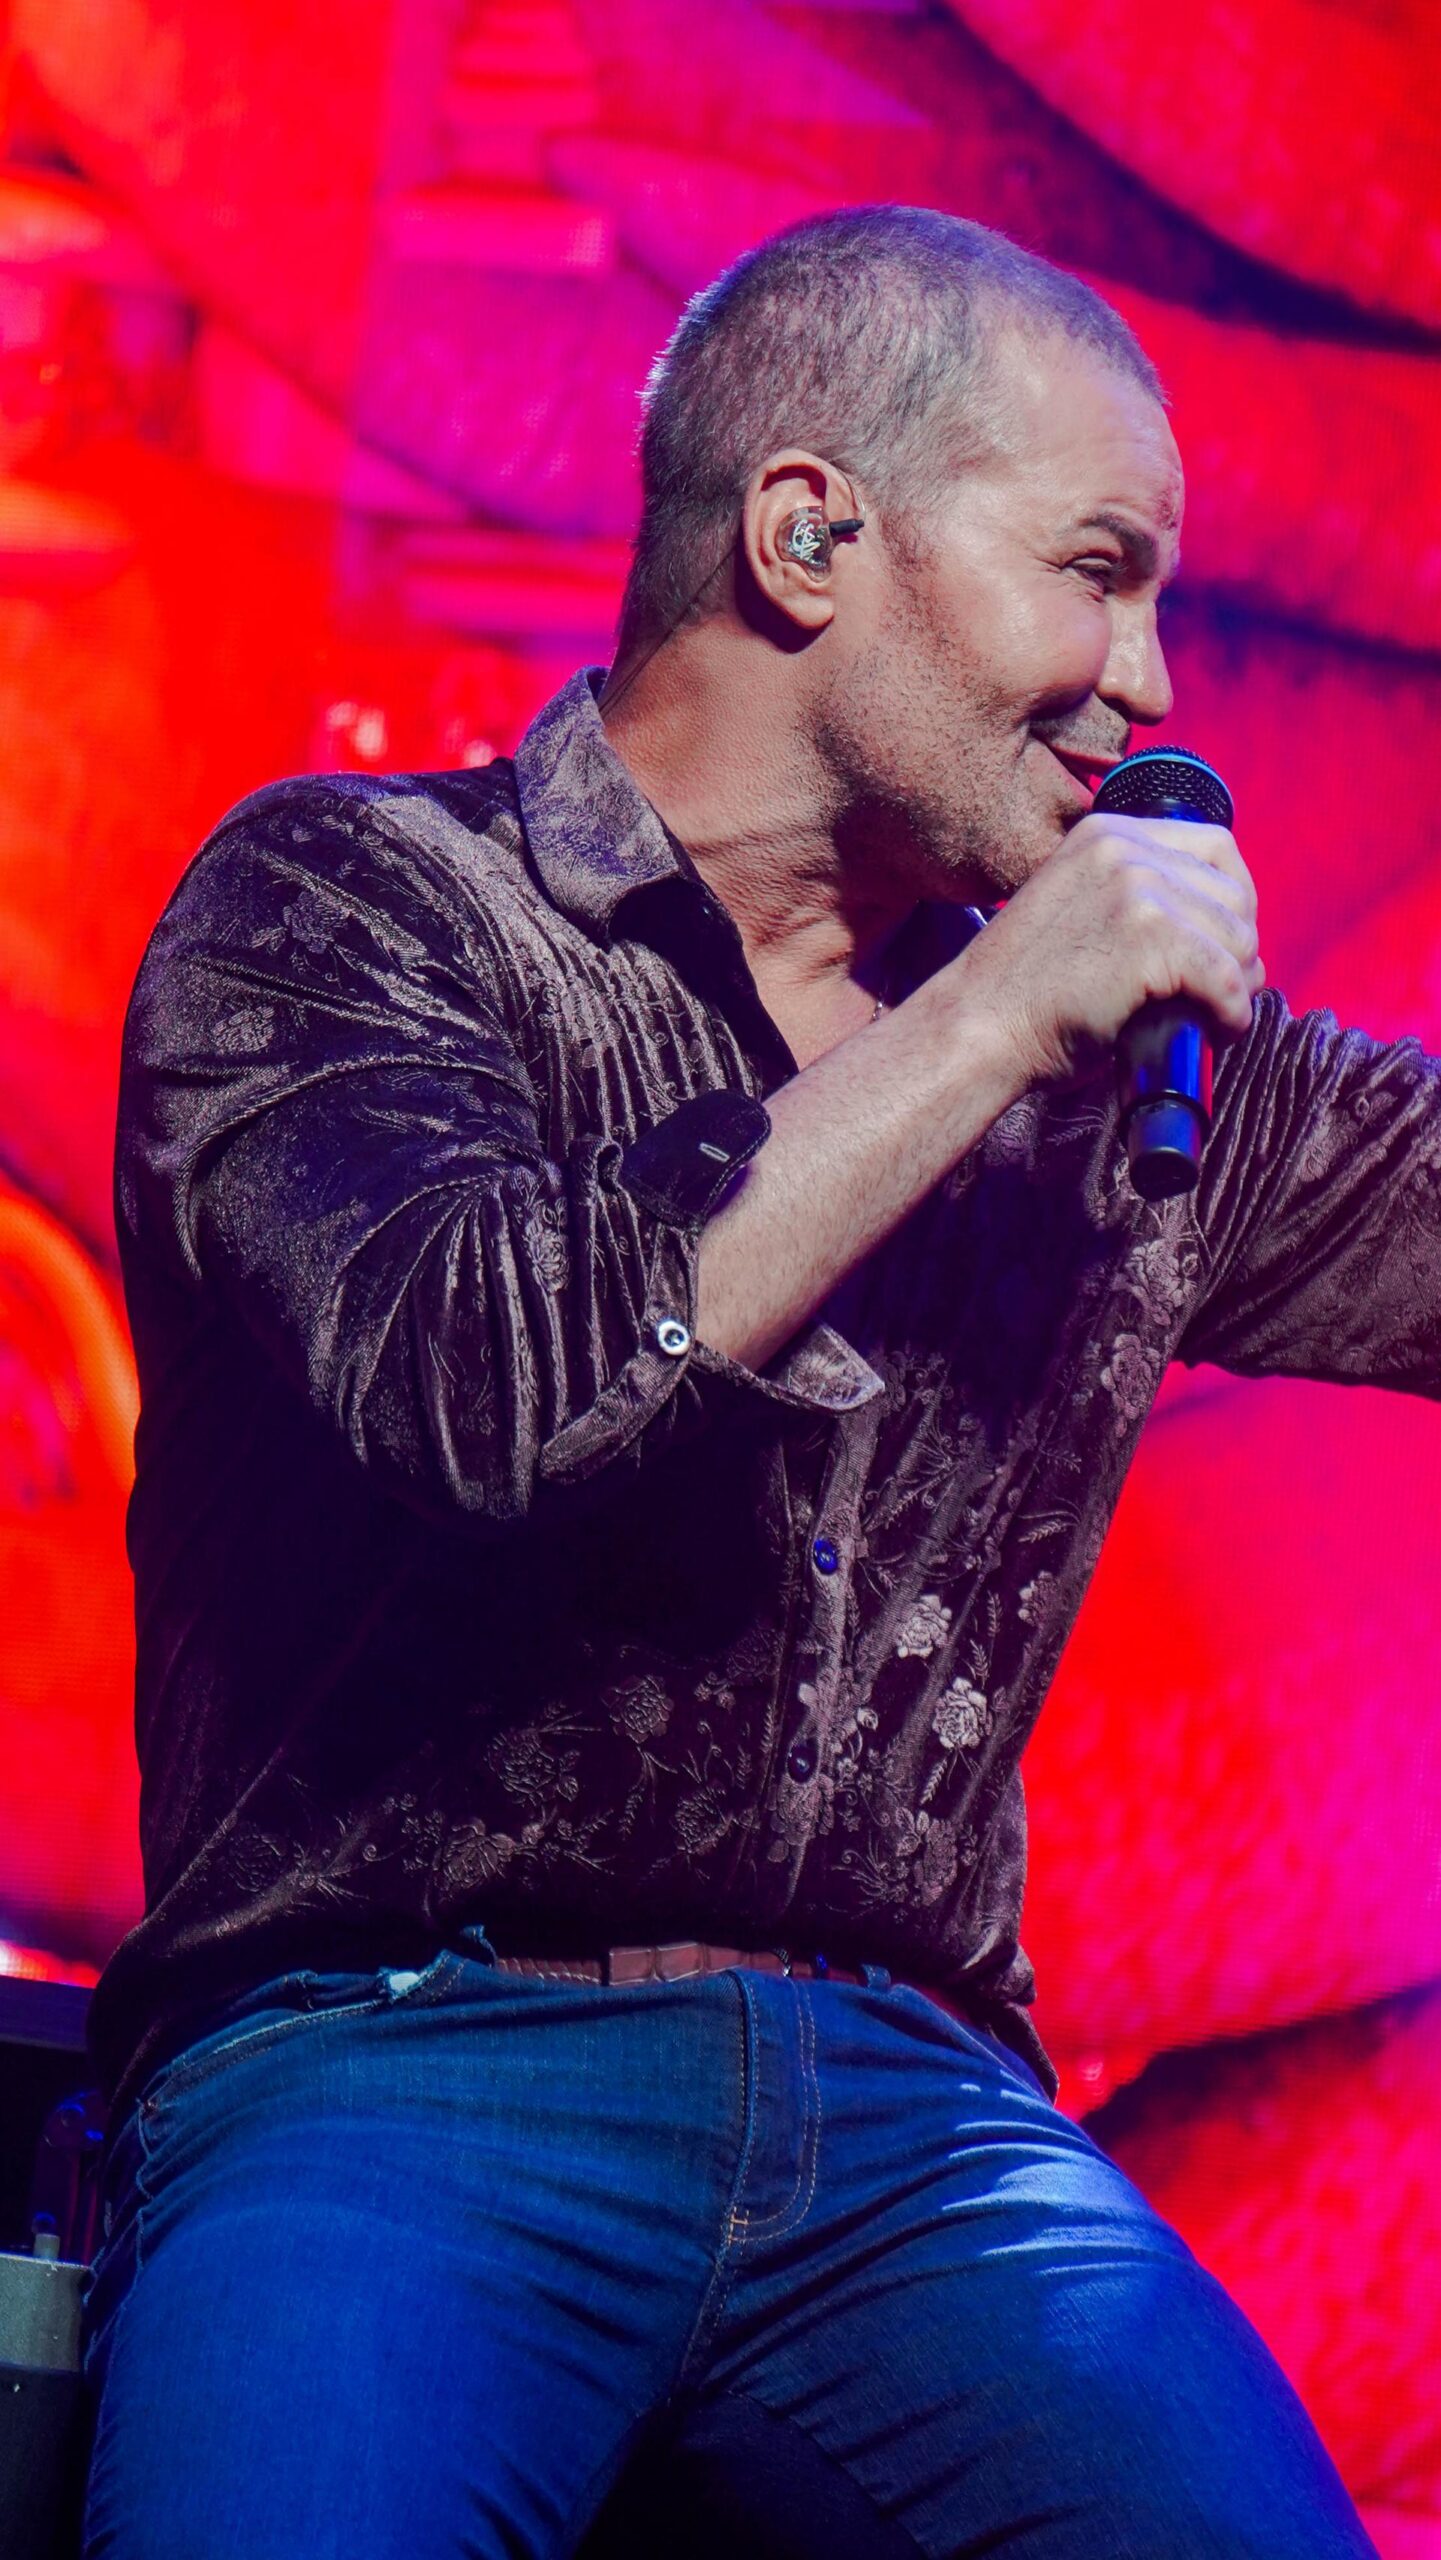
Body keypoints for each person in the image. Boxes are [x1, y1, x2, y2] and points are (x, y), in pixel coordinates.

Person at [79, 207, 1422, 2559]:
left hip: (919, 2125)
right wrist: (988, 1014)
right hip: (393, 2054)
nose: (1146, 677)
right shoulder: (351, 911)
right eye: (1095, 571)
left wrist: (1020, 1016)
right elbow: (484, 1377)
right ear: (806, 538)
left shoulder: (1136, 1073)